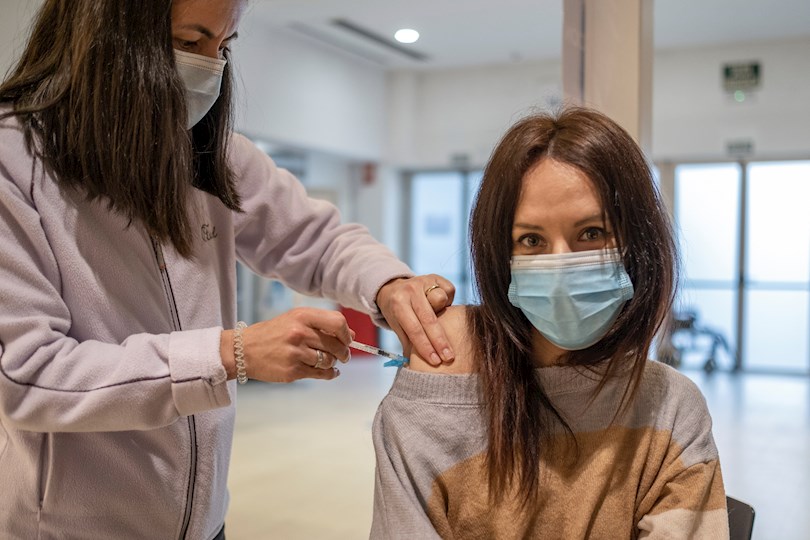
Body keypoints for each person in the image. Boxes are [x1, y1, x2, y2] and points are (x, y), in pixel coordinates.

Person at [0, 1, 456, 538]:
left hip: (204, 521)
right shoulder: (16, 162)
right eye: (191, 43)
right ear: (104, 30)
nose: (211, 68)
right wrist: (228, 353)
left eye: (224, 46)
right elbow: (26, 375)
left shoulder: (210, 154)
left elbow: (315, 239)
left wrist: (388, 284)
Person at [371, 107, 729, 539]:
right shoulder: (439, 390)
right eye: (532, 240)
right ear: (501, 258)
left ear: (639, 244)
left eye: (592, 233)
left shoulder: (670, 410)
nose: (560, 264)